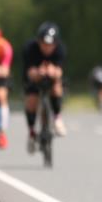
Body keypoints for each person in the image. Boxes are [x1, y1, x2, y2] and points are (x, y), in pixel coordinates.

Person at [23, 21, 67, 153]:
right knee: (31, 101)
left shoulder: (60, 50)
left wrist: (53, 72)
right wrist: (38, 73)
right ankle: (31, 132)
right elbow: (29, 72)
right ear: (39, 41)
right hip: (33, 76)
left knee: (57, 88)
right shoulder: (30, 49)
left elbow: (59, 71)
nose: (47, 47)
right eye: (44, 44)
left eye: (50, 45)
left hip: (52, 78)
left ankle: (57, 117)